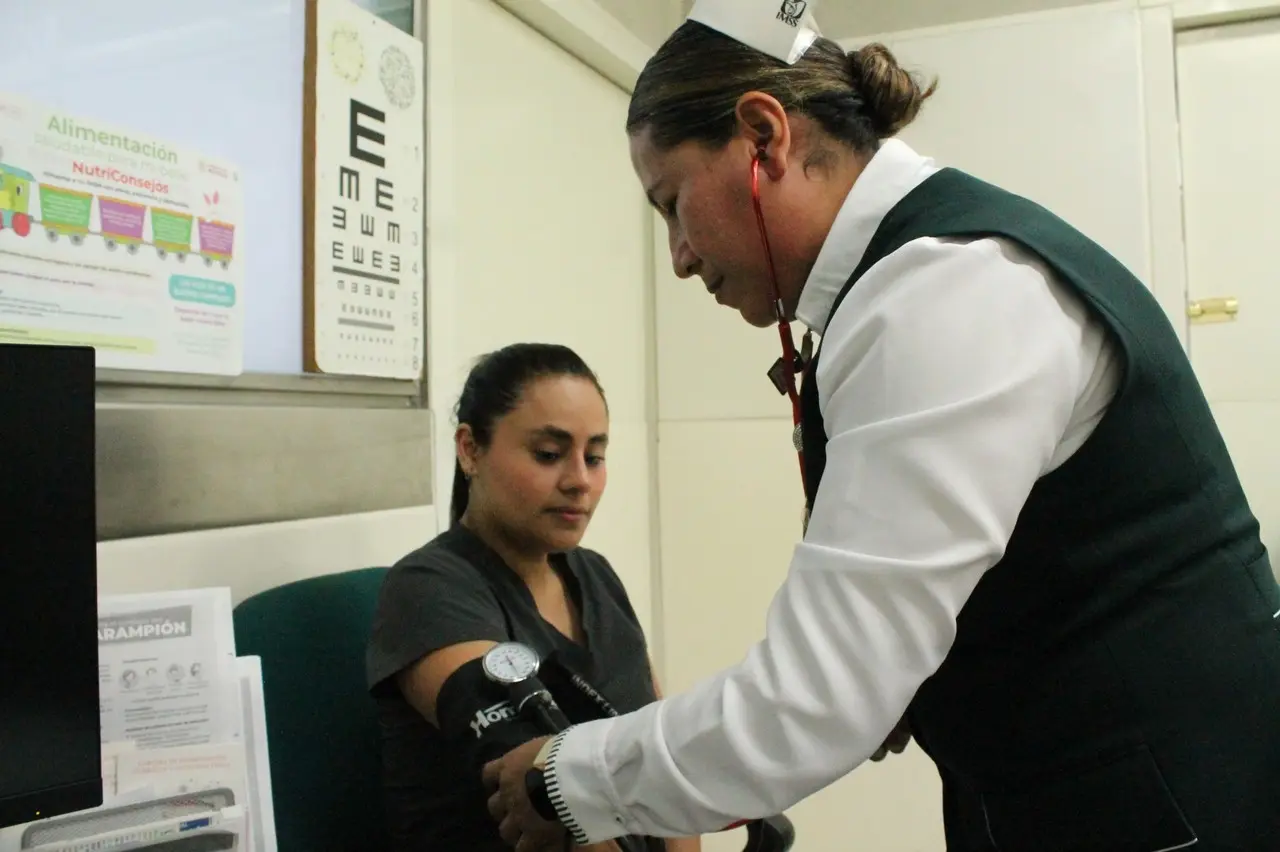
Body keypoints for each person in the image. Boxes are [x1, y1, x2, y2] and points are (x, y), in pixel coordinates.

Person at [483, 1, 1280, 850]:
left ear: (763, 136)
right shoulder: (924, 276)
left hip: (1162, 804)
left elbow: (814, 702)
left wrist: (567, 777)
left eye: (672, 202)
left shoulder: (943, 294)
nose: (678, 255)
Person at [365, 342, 701, 852]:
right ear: (470, 449)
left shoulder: (595, 576)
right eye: (548, 454)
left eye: (595, 457)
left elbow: (662, 755)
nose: (580, 481)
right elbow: (539, 788)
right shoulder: (427, 589)